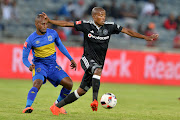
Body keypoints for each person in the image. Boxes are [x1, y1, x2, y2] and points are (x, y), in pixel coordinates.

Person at [41, 7, 158, 115]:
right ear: (94, 17)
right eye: (101, 15)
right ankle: (95, 100)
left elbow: (128, 31)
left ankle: (56, 107)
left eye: (104, 15)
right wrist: (50, 21)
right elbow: (67, 24)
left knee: (81, 91)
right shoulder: (86, 25)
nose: (103, 18)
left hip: (99, 62)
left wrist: (145, 37)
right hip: (86, 60)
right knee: (97, 70)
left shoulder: (110, 27)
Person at [22, 14, 77, 114]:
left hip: (52, 65)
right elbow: (24, 57)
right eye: (42, 24)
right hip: (39, 65)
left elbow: (60, 46)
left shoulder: (53, 33)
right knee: (37, 83)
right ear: (36, 24)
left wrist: (71, 59)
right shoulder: (30, 39)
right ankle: (28, 106)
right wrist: (29, 65)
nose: (45, 26)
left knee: (69, 84)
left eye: (46, 24)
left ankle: (57, 105)